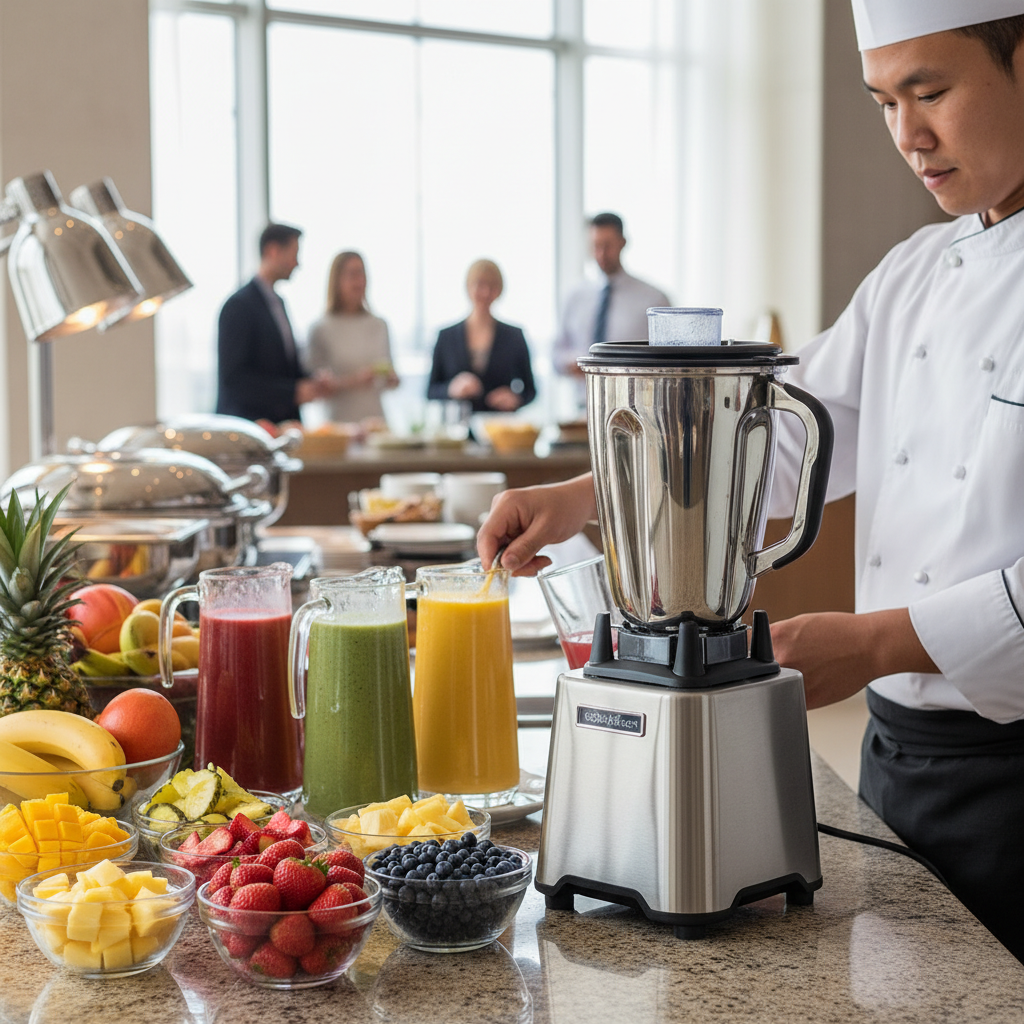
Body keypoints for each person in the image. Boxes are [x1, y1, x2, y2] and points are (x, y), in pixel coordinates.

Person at [478, 2, 1024, 963]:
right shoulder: (914, 273)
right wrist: (588, 497)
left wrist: (881, 640)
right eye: (884, 102)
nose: (908, 135)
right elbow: (775, 445)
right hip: (897, 760)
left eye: (930, 92)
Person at [216, 223, 337, 424]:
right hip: (251, 430)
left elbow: (281, 368)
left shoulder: (278, 304)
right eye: (294, 254)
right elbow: (235, 379)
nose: (297, 263)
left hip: (282, 428)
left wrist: (309, 382)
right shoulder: (238, 306)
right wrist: (293, 392)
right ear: (273, 250)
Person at [553, 212, 670, 378]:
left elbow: (666, 360)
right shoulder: (574, 297)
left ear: (622, 243)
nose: (601, 254)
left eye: (607, 245)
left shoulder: (654, 300)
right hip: (582, 401)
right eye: (595, 246)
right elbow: (556, 355)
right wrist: (572, 363)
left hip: (634, 400)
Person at [427, 259, 536, 413]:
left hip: (500, 426)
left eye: (492, 286)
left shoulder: (515, 336)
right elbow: (430, 391)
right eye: (479, 285)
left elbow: (531, 390)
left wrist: (515, 398)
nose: (485, 292)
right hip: (456, 426)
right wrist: (451, 389)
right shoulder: (446, 336)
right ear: (468, 287)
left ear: (500, 290)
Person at [306, 251, 399, 423]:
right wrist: (355, 380)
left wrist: (391, 378)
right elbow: (316, 387)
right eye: (352, 274)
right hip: (338, 425)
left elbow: (390, 378)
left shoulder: (379, 325)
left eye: (362, 273)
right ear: (337, 280)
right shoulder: (321, 328)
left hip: (376, 422)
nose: (359, 281)